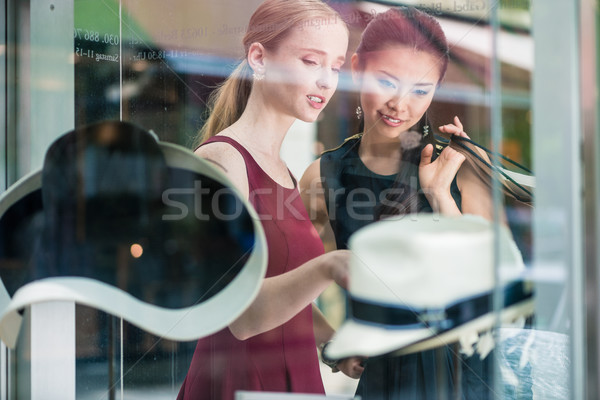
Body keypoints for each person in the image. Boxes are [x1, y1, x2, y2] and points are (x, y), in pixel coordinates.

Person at [299, 6, 496, 399]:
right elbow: (285, 283)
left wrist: (441, 195)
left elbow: (488, 285)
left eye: (421, 90)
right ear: (356, 68)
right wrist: (334, 344)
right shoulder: (323, 175)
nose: (400, 104)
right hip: (383, 380)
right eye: (386, 81)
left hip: (464, 378)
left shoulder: (463, 163)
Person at [176, 1, 363, 399]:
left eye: (336, 66)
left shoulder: (281, 168)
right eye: (312, 61)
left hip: (291, 382)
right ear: (259, 58)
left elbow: (282, 299)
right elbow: (242, 316)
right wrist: (330, 265)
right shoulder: (222, 161)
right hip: (239, 384)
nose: (327, 82)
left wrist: (337, 345)